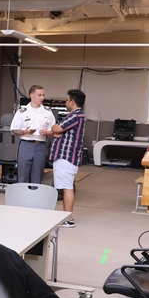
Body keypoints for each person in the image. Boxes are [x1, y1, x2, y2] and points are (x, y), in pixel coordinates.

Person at [48, 88, 86, 228]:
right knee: (66, 187)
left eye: (67, 99)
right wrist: (57, 132)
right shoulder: (78, 115)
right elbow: (61, 132)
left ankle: (68, 218)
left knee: (66, 188)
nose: (66, 102)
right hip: (68, 157)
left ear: (72, 101)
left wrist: (53, 127)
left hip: (66, 157)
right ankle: (66, 216)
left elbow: (57, 128)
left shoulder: (75, 115)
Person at [10, 84, 56, 185]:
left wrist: (48, 132)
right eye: (39, 95)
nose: (42, 98)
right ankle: (22, 200)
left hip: (40, 146)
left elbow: (54, 131)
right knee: (23, 177)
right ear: (31, 95)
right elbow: (13, 130)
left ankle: (34, 199)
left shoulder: (48, 112)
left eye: (43, 95)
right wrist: (25, 132)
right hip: (26, 145)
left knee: (37, 177)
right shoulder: (22, 112)